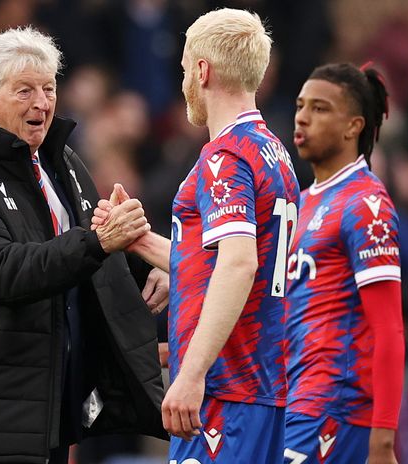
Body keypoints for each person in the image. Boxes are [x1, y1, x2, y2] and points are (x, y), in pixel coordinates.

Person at [0, 26, 169, 463]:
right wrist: (101, 241)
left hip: (55, 406)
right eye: (24, 90)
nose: (42, 103)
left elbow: (90, 255)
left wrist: (146, 264)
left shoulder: (61, 159)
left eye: (48, 89)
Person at [94, 8, 300, 462]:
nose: (184, 80)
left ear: (203, 71)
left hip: (228, 391)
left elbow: (239, 263)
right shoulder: (274, 151)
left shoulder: (224, 157)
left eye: (186, 69)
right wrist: (140, 241)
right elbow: (229, 260)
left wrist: (192, 371)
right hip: (264, 384)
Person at [284, 63, 402, 464]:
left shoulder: (366, 204)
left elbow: (388, 327)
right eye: (301, 106)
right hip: (295, 401)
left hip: (336, 408)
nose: (302, 116)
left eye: (319, 109)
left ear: (353, 126)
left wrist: (383, 440)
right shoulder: (302, 201)